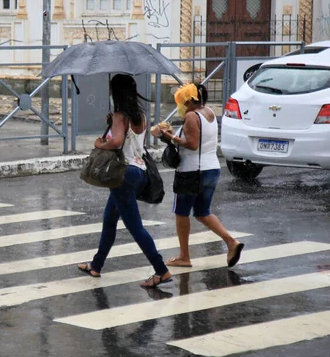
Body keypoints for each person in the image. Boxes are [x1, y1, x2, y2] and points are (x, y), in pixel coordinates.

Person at [77, 74, 172, 288]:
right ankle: (96, 265)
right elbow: (132, 142)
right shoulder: (140, 116)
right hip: (139, 172)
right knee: (109, 220)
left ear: (116, 93)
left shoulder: (121, 116)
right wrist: (113, 124)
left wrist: (101, 143)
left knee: (135, 227)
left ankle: (161, 270)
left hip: (123, 175)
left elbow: (118, 141)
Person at [152, 83, 244, 268]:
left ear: (189, 100)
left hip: (191, 172)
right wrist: (171, 135)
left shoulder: (191, 116)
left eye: (182, 101)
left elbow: (192, 144)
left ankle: (184, 256)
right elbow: (197, 140)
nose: (180, 106)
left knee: (181, 213)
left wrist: (167, 136)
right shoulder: (208, 112)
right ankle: (231, 242)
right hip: (210, 170)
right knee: (202, 213)